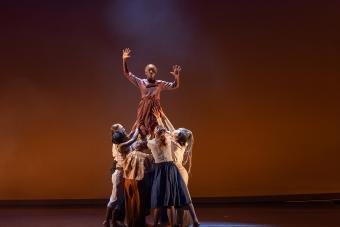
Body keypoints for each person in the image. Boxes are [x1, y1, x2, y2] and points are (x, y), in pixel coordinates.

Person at [121, 48, 181, 137]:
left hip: (155, 108)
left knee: (156, 127)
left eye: (153, 70)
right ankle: (134, 140)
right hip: (144, 107)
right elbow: (127, 74)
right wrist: (124, 60)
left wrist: (176, 77)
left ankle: (158, 145)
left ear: (156, 72)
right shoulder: (141, 82)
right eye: (149, 70)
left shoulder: (160, 84)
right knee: (140, 126)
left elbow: (174, 85)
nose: (151, 72)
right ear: (145, 72)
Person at [147, 126, 197, 227]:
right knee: (174, 200)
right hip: (171, 169)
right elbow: (169, 132)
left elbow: (164, 133)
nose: (173, 132)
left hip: (164, 170)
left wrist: (154, 132)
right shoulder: (170, 140)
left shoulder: (151, 142)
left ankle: (173, 223)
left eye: (176, 132)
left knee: (163, 199)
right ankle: (178, 223)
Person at [103, 124, 138, 227]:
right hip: (120, 173)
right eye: (122, 128)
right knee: (114, 199)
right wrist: (137, 129)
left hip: (124, 172)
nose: (124, 128)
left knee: (120, 199)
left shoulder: (118, 140)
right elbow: (133, 138)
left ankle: (114, 221)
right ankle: (106, 221)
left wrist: (135, 125)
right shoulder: (121, 145)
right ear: (118, 132)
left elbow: (129, 135)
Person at [121, 140, 154, 227]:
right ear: (144, 147)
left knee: (129, 203)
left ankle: (130, 223)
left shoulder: (130, 154)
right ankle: (139, 224)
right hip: (139, 181)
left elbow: (125, 167)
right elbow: (149, 169)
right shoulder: (146, 156)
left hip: (127, 181)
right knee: (140, 203)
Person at [171, 128, 199, 226]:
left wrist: (160, 119)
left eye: (177, 131)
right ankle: (180, 222)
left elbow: (168, 129)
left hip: (180, 172)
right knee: (180, 199)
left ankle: (195, 220)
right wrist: (162, 117)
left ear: (178, 137)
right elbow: (171, 129)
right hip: (178, 171)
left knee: (184, 197)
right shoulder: (180, 142)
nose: (174, 130)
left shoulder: (174, 143)